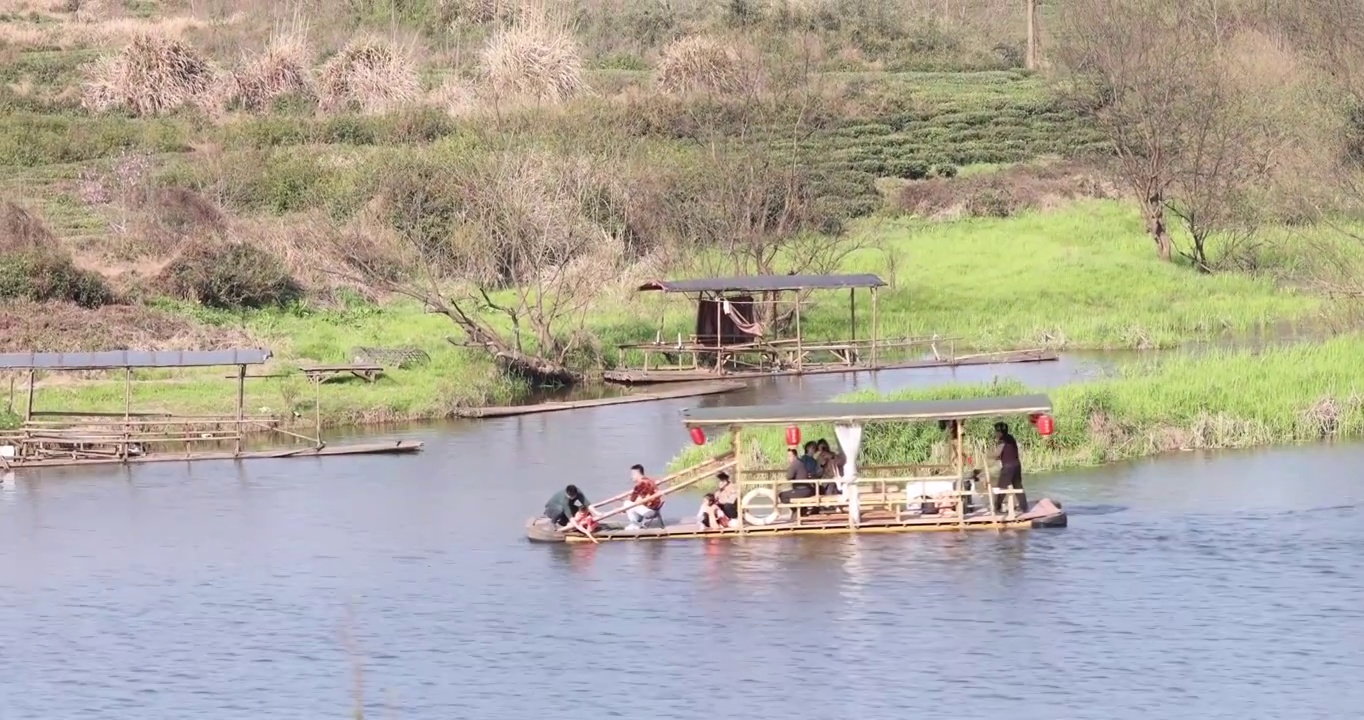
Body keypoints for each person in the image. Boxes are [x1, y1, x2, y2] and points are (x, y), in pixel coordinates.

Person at [991, 422, 1028, 514]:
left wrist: (989, 455)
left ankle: (997, 508)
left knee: (1001, 488)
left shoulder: (1003, 440)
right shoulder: (1010, 438)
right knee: (1018, 486)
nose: (995, 434)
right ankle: (1024, 507)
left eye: (996, 432)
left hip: (1008, 467)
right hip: (1016, 465)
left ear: (1000, 432)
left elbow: (997, 453)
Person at [625, 464, 664, 529]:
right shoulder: (649, 481)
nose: (632, 476)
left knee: (627, 503)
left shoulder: (642, 484)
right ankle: (636, 523)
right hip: (655, 509)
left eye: (633, 474)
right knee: (629, 504)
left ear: (637, 474)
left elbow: (636, 501)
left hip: (649, 512)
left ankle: (636, 525)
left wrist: (623, 509)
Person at [779, 448, 815, 512]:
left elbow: (788, 476)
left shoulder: (795, 464)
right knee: (787, 494)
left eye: (790, 456)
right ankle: (800, 510)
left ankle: (797, 510)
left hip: (802, 490)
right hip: (806, 489)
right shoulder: (800, 462)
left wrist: (779, 482)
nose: (788, 458)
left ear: (794, 456)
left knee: (782, 495)